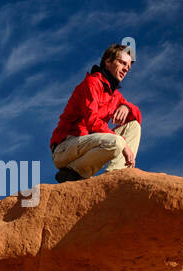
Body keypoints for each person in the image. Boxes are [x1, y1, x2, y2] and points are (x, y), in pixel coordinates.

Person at [50, 44, 142, 182]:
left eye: (128, 67)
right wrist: (124, 145)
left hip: (86, 147)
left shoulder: (115, 95)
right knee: (117, 142)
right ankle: (75, 171)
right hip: (65, 148)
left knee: (134, 126)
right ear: (108, 62)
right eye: (122, 63)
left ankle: (115, 177)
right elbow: (92, 122)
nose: (125, 69)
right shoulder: (92, 83)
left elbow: (137, 116)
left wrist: (126, 107)